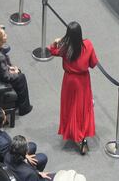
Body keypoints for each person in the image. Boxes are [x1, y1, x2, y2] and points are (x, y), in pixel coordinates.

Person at [48, 22, 98, 154]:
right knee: (82, 108)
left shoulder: (65, 48)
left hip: (69, 81)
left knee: (70, 107)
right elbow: (93, 64)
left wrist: (55, 42)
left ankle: (73, 133)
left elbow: (52, 51)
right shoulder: (88, 44)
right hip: (83, 81)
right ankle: (82, 137)